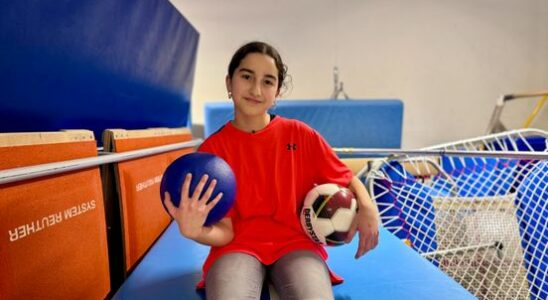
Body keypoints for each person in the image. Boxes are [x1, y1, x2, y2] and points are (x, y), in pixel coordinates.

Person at [163, 41, 379, 300]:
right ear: (229, 82)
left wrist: (368, 207)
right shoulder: (212, 153)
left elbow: (345, 177)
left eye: (268, 81)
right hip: (236, 247)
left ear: (277, 91)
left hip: (296, 244)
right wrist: (194, 231)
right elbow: (227, 232)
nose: (256, 89)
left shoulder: (301, 134)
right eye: (246, 76)